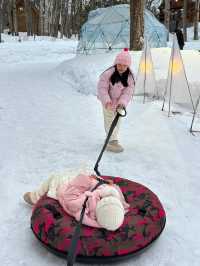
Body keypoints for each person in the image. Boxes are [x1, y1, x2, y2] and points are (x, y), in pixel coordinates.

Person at [23, 168, 129, 231]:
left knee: (54, 177)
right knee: (85, 170)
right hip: (88, 185)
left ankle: (34, 197)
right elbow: (112, 190)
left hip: (68, 188)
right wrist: (103, 182)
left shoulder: (82, 207)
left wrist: (85, 180)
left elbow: (69, 196)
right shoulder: (114, 205)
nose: (106, 197)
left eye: (104, 199)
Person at [97, 48, 135, 153]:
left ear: (128, 66)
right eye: (119, 65)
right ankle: (112, 140)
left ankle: (113, 138)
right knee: (109, 119)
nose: (121, 67)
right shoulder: (108, 74)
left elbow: (128, 92)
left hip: (119, 104)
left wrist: (122, 103)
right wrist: (106, 101)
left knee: (117, 121)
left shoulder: (130, 78)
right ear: (115, 64)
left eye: (124, 65)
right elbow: (102, 88)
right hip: (108, 102)